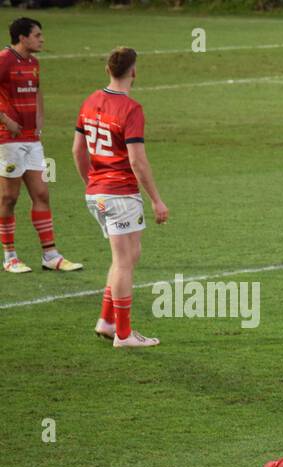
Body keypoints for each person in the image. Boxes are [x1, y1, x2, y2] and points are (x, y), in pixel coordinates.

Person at [72, 47, 167, 348]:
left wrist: (92, 182)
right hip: (120, 194)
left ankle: (106, 320)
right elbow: (137, 161)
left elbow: (77, 150)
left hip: (97, 194)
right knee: (125, 261)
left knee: (128, 255)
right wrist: (156, 200)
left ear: (108, 70)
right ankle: (123, 335)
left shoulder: (90, 101)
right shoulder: (131, 109)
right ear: (133, 71)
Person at [0, 17, 80, 274]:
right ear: (22, 38)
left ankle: (50, 255)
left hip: (31, 139)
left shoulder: (33, 63)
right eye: (37, 35)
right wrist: (4, 119)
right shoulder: (4, 59)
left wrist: (40, 121)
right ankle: (10, 256)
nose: (42, 39)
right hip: (8, 140)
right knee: (9, 197)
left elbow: (35, 90)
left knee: (42, 194)